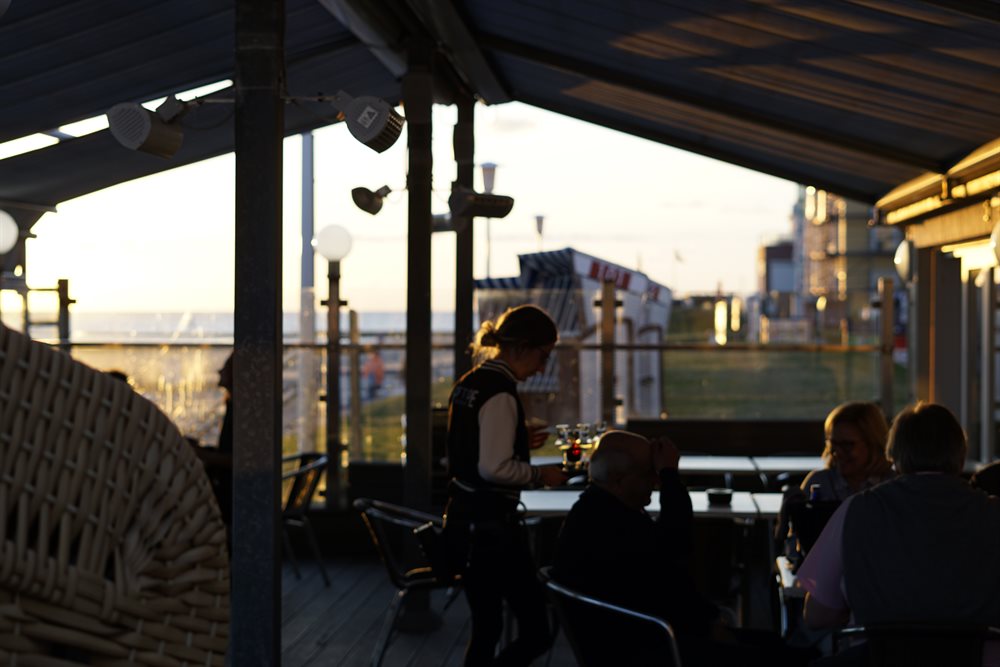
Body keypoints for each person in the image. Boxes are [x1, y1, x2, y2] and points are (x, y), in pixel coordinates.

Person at [553, 430, 812, 667]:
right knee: (779, 655)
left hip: (626, 638)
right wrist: (670, 476)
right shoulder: (612, 523)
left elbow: (662, 572)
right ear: (619, 480)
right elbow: (674, 552)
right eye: (648, 473)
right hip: (650, 647)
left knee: (776, 647)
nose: (655, 482)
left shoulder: (595, 512)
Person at [797, 402, 1000, 665]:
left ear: (895, 455)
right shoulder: (993, 513)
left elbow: (817, 616)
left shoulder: (857, 511)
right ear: (960, 454)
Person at [444, 304, 567, 666]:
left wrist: (515, 438)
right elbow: (493, 468)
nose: (543, 367)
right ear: (522, 347)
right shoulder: (500, 393)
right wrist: (539, 476)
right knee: (536, 631)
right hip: (492, 531)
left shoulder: (470, 383)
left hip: (464, 523)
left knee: (486, 629)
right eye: (543, 356)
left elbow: (471, 447)